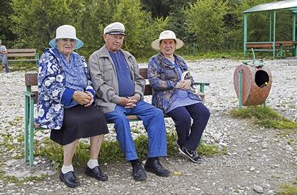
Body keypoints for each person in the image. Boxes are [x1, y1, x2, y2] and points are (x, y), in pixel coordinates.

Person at [88, 22, 170, 181]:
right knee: (120, 119)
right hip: (110, 103)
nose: (117, 41)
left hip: (133, 101)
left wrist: (137, 96)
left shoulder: (128, 56)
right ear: (105, 37)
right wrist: (119, 99)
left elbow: (139, 80)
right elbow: (99, 85)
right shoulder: (96, 57)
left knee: (156, 114)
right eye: (114, 37)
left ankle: (153, 160)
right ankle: (135, 162)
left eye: (120, 38)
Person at [35, 25, 109, 188]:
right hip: (59, 105)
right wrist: (73, 94)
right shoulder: (48, 57)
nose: (68, 43)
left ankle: (92, 163)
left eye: (71, 40)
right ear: (57, 42)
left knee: (98, 119)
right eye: (64, 40)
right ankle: (66, 168)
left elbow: (89, 81)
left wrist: (88, 93)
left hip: (81, 102)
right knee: (75, 122)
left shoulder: (79, 58)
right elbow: (47, 85)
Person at [148, 30, 210, 163]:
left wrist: (189, 82)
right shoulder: (154, 61)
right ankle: (183, 143)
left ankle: (189, 147)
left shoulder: (180, 60)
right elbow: (154, 82)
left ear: (175, 45)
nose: (168, 45)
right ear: (160, 45)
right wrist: (174, 84)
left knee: (204, 113)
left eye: (171, 43)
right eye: (165, 43)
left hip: (185, 96)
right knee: (184, 118)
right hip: (166, 97)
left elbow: (189, 77)